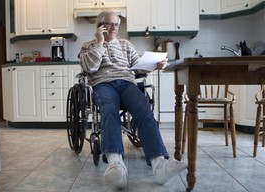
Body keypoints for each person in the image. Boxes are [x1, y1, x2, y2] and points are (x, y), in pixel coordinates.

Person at [78, 11, 187, 189]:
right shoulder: (88, 46)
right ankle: (115, 163)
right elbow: (90, 67)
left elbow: (139, 68)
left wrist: (155, 65)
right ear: (99, 25)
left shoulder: (125, 45)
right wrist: (99, 43)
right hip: (103, 84)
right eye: (109, 24)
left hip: (127, 83)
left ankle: (159, 164)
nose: (114, 28)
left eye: (116, 25)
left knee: (144, 109)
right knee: (108, 109)